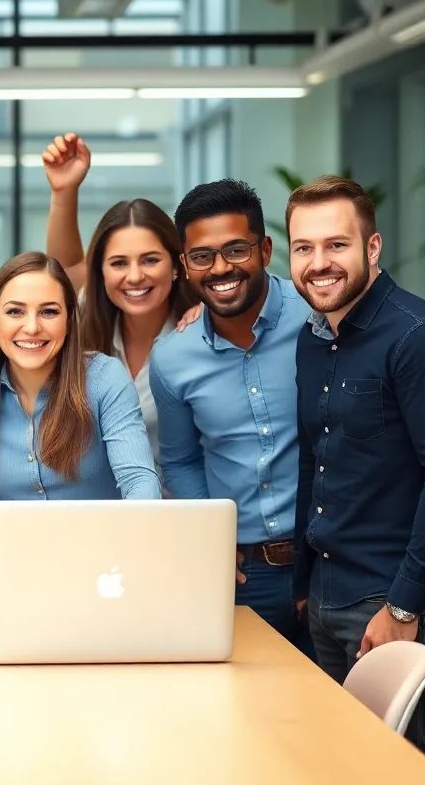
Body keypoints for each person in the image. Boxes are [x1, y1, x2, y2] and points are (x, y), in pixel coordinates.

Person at [287, 175, 425, 760]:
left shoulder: (421, 338)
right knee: (336, 761)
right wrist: (303, 585)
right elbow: (314, 461)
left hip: (396, 594)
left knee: (397, 765)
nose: (319, 263)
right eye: (304, 248)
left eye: (337, 245)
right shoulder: (313, 339)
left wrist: (403, 606)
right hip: (325, 591)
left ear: (373, 248)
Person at [148, 179, 314, 655]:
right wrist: (210, 540)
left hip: (327, 562)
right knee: (245, 719)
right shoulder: (173, 358)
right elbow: (179, 460)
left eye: (236, 250)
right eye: (202, 256)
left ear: (264, 249)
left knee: (337, 718)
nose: (221, 268)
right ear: (184, 265)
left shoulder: (318, 322)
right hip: (242, 573)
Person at [0, 252, 161, 602]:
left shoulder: (104, 379)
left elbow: (140, 482)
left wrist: (117, 571)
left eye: (49, 311)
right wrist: (20, 592)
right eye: (15, 311)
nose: (32, 327)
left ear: (70, 320)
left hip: (107, 590)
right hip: (10, 597)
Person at [41, 133, 199, 469]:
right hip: (101, 506)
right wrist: (63, 192)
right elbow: (64, 269)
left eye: (150, 260)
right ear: (99, 271)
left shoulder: (199, 329)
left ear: (176, 266)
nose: (135, 276)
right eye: (118, 263)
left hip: (181, 506)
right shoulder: (87, 323)